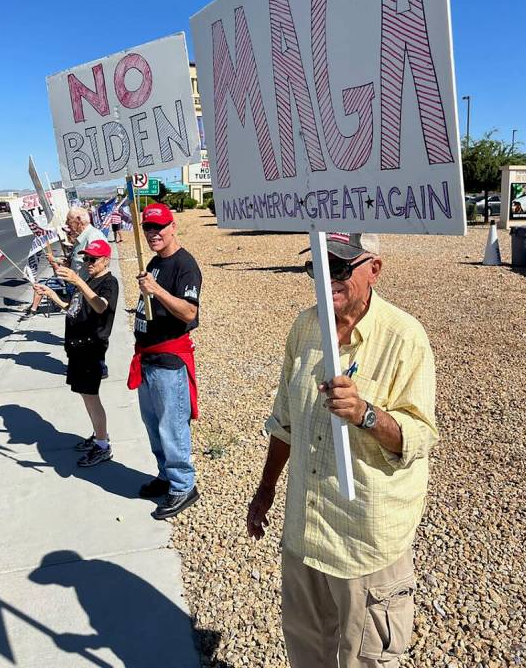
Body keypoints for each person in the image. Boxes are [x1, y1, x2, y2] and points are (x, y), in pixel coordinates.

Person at [247, 232, 438, 668]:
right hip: (305, 531)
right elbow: (285, 420)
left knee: (366, 658)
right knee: (306, 653)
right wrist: (266, 492)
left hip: (363, 544)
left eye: (338, 268)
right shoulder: (306, 325)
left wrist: (366, 414)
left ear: (375, 268)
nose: (325, 279)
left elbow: (420, 436)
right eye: (316, 266)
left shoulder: (405, 337)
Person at [127, 202, 202, 520]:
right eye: (147, 228)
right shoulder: (155, 262)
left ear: (174, 227)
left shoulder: (185, 265)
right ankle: (166, 476)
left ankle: (184, 486)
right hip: (147, 358)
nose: (153, 233)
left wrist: (156, 290)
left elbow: (189, 312)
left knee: (172, 426)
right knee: (153, 426)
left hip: (169, 360)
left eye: (159, 227)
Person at [35, 239, 119, 467]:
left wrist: (78, 280)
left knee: (92, 397)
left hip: (91, 348)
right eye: (86, 258)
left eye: (93, 259)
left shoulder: (108, 283)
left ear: (106, 260)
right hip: (76, 347)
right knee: (85, 395)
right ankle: (98, 435)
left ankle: (103, 445)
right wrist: (51, 295)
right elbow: (72, 308)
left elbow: (101, 306)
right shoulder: (90, 279)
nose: (88, 262)